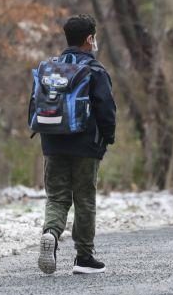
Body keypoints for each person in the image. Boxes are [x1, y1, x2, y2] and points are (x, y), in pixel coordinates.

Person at [34, 14, 116, 275]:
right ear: (90, 39)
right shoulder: (95, 71)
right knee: (84, 199)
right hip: (85, 146)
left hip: (53, 142)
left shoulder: (52, 68)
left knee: (57, 197)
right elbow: (106, 110)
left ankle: (51, 234)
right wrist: (107, 139)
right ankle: (84, 257)